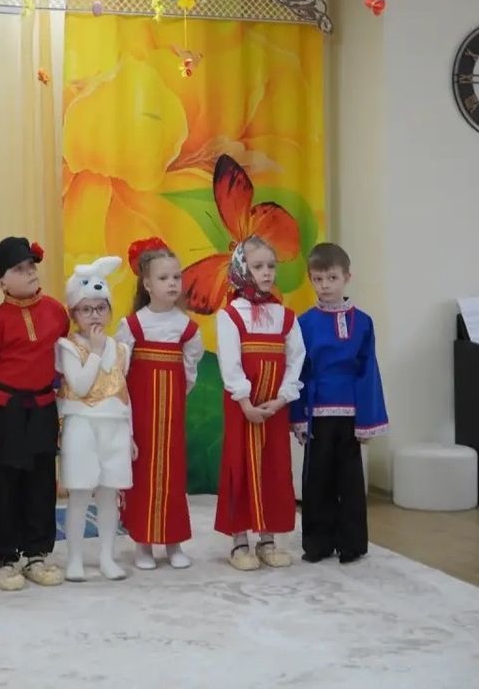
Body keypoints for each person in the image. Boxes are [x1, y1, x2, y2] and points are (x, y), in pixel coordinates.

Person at [0, 236, 70, 591]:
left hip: (43, 407)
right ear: (1, 283)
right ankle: (3, 558)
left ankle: (37, 553)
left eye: (31, 265)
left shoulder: (56, 312)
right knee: (3, 482)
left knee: (41, 480)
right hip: (6, 409)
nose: (30, 272)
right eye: (18, 268)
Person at [290, 242, 387, 565]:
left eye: (332, 278)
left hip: (350, 413)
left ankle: (352, 544)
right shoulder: (303, 323)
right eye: (318, 279)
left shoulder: (364, 322)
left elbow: (368, 371)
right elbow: (299, 371)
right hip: (317, 412)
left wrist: (367, 421)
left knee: (350, 479)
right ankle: (317, 544)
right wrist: (298, 416)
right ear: (310, 280)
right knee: (317, 479)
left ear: (347, 277)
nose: (325, 286)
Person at [214, 236, 305, 571]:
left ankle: (267, 539)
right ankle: (239, 541)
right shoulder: (230, 315)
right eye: (257, 266)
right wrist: (246, 403)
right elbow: (230, 362)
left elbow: (296, 359)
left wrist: (282, 398)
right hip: (244, 409)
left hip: (274, 409)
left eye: (271, 266)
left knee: (273, 468)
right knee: (240, 466)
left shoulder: (285, 316)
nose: (266, 273)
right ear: (241, 269)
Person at [115, 238, 203, 570]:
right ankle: (143, 544)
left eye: (176, 277)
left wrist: (174, 396)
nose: (172, 283)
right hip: (142, 416)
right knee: (143, 476)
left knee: (173, 476)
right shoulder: (133, 326)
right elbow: (120, 373)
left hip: (172, 417)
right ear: (147, 284)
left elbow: (189, 371)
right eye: (164, 278)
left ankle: (174, 542)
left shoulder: (187, 329)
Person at [57, 256, 133, 582]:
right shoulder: (67, 346)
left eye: (101, 308)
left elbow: (124, 393)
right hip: (81, 425)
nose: (94, 315)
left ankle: (107, 556)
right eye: (86, 309)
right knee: (79, 493)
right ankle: (74, 558)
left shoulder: (122, 349)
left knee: (108, 495)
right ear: (74, 314)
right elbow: (81, 385)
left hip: (114, 426)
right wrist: (98, 351)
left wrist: (131, 435)